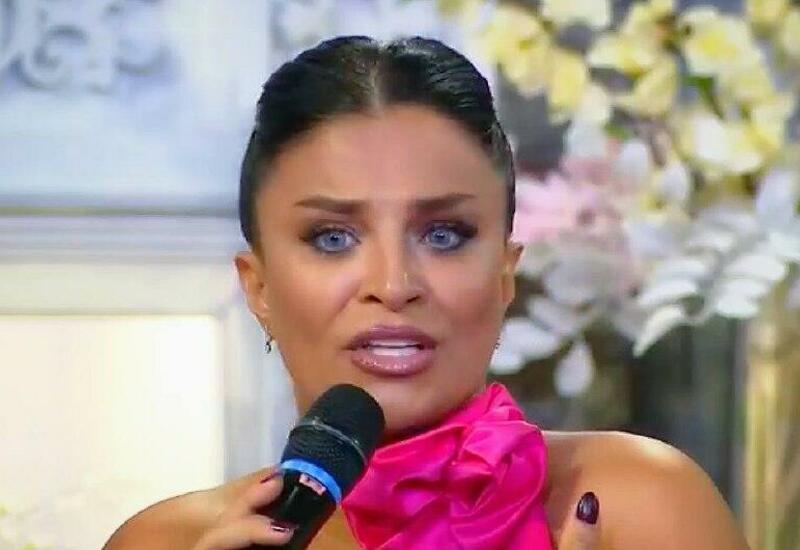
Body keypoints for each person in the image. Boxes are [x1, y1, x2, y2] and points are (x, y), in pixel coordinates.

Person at [103, 36, 750, 550]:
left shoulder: (636, 505)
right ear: (259, 286)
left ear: (505, 275)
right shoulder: (167, 542)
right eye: (332, 237)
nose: (394, 286)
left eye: (443, 235)